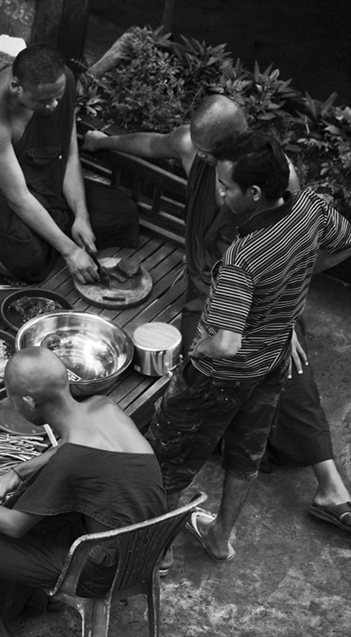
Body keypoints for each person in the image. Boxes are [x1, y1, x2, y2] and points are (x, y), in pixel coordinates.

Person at [83, 97, 351, 535]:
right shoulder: (197, 148)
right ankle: (226, 528)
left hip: (247, 300)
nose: (204, 163)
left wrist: (289, 292)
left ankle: (329, 484)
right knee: (273, 364)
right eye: (203, 155)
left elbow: (299, 246)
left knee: (278, 369)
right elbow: (153, 144)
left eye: (214, 161)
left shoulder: (274, 198)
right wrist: (101, 141)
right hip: (209, 294)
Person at [143, 132, 351, 564]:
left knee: (168, 461)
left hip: (221, 378)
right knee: (245, 453)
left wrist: (195, 353)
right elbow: (346, 241)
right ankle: (220, 536)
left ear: (254, 192)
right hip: (271, 361)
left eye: (225, 186)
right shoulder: (311, 208)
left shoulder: (243, 258)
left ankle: (156, 556)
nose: (219, 192)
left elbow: (226, 342)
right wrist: (294, 285)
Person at [0, 347, 166, 633]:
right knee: (25, 501)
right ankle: (42, 602)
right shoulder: (103, 406)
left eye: (12, 400)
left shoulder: (71, 461)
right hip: (151, 544)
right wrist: (17, 471)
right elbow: (66, 447)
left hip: (105, 570)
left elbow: (14, 526)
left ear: (28, 402)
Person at [0, 43, 139, 285]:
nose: (54, 106)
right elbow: (18, 197)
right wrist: (70, 251)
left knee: (122, 212)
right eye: (43, 101)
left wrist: (82, 215)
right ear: (16, 87)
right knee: (28, 260)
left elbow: (68, 153)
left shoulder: (62, 81)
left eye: (57, 97)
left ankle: (46, 232)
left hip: (42, 171)